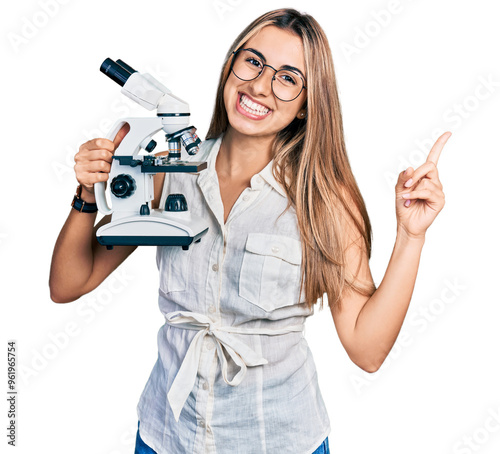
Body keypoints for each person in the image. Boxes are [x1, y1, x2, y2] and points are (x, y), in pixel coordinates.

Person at [49, 8, 450, 454]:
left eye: (287, 78)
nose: (259, 85)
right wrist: (88, 193)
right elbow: (69, 284)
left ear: (306, 105)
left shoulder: (323, 200)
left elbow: (366, 349)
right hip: (167, 435)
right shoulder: (169, 173)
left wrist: (411, 236)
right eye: (253, 62)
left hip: (276, 438)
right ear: (230, 65)